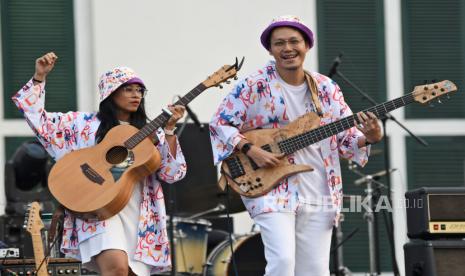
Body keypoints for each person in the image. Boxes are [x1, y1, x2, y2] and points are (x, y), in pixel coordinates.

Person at [209, 15, 383, 276]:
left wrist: (369, 137)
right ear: (270, 49)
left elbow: (346, 140)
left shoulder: (326, 88)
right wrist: (250, 149)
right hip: (269, 185)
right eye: (279, 43)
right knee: (283, 262)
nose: (287, 48)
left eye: (294, 41)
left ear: (307, 45)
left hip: (319, 188)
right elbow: (220, 123)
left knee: (315, 270)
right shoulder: (254, 84)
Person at [12, 52, 187, 276]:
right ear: (110, 93)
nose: (136, 95)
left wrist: (170, 130)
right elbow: (40, 122)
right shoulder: (82, 124)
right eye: (128, 89)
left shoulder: (151, 133)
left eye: (140, 90)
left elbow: (173, 174)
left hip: (140, 215)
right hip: (97, 208)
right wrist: (39, 77)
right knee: (116, 268)